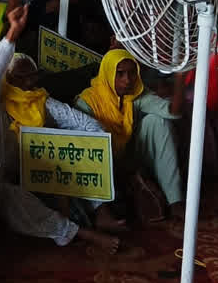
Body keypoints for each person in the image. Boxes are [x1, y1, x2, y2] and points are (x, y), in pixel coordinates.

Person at [0, 6, 122, 250]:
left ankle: (101, 209)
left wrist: (101, 146)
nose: (30, 83)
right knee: (8, 195)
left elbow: (84, 124)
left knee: (73, 143)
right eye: (21, 78)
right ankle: (78, 233)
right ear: (7, 79)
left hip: (37, 172)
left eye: (33, 76)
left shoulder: (39, 98)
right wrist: (11, 36)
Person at [75, 50, 186, 220]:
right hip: (102, 164)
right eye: (120, 74)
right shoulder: (87, 101)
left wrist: (180, 76)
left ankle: (175, 201)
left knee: (158, 121)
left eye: (132, 73)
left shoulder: (135, 93)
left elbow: (173, 112)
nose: (127, 80)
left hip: (129, 158)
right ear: (108, 73)